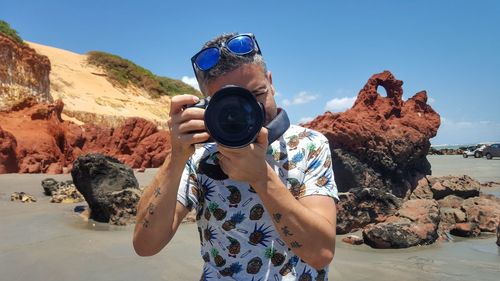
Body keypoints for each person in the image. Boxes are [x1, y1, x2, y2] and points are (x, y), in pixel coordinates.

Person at [133, 32, 338, 280]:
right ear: (207, 105)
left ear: (271, 82)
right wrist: (176, 159)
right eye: (231, 104)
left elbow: (321, 253)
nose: (248, 111)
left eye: (257, 95)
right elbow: (145, 246)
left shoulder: (309, 145)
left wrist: (262, 178)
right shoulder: (197, 156)